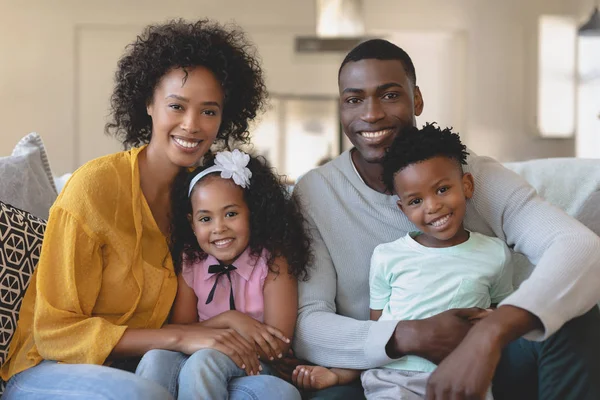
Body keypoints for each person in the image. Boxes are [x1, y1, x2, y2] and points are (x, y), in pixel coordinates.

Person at [0, 19, 299, 399]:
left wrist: (227, 328)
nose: (192, 125)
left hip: (152, 362)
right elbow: (56, 332)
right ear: (148, 104)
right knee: (145, 395)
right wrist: (181, 337)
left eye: (209, 111)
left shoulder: (202, 197)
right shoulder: (95, 188)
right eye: (177, 106)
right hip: (50, 368)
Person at [291, 38, 600, 400]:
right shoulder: (317, 191)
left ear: (417, 99)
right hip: (385, 370)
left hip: (490, 360)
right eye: (354, 100)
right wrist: (410, 335)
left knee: (578, 321)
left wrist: (490, 333)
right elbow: (308, 322)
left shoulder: (472, 176)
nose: (371, 114)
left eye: (389, 95)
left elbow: (580, 247)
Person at [294, 124, 512, 399]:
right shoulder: (388, 256)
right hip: (393, 380)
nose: (432, 206)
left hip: (462, 376)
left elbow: (501, 313)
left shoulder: (495, 253)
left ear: (466, 185)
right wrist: (343, 372)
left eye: (443, 189)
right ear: (402, 208)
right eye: (416, 200)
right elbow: (378, 331)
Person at [136, 149, 310, 399]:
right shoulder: (191, 262)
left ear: (252, 212)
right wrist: (230, 320)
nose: (219, 228)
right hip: (201, 366)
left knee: (205, 360)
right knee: (156, 358)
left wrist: (214, 338)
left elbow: (277, 346)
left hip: (257, 369)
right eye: (205, 218)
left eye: (231, 214)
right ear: (192, 224)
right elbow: (183, 329)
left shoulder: (272, 262)